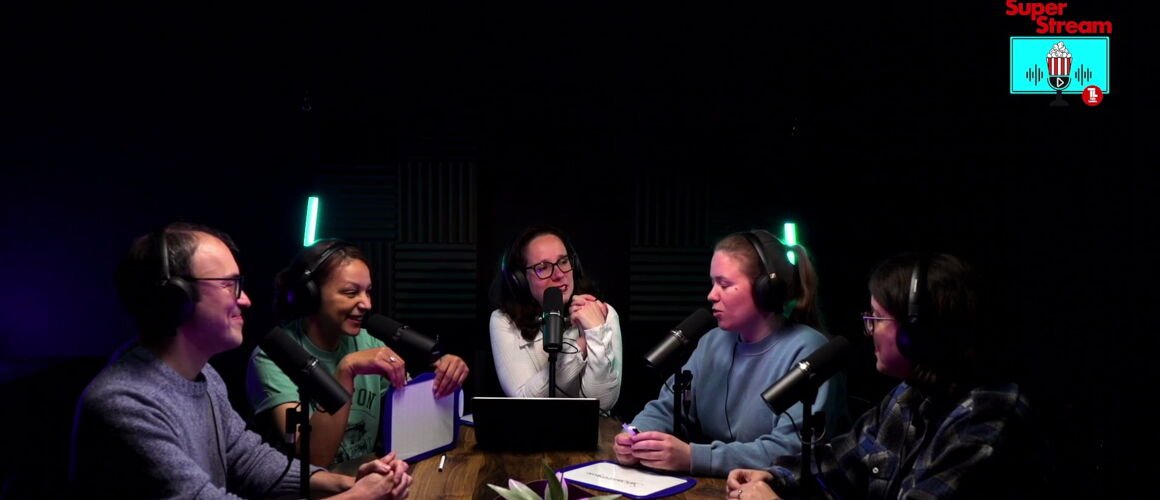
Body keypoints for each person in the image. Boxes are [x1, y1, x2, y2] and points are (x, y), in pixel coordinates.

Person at [71, 222, 411, 499]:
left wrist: (346, 483)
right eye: (229, 285)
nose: (245, 300)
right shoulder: (126, 405)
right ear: (176, 298)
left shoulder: (204, 376)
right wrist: (358, 498)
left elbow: (250, 461)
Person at [726, 253, 1041, 500]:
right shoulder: (909, 394)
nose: (870, 330)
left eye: (876, 318)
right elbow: (841, 462)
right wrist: (776, 477)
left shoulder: (988, 417)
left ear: (918, 332)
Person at [614, 230, 848, 477]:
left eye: (724, 284)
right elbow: (667, 407)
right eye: (712, 283)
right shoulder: (712, 342)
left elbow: (791, 451)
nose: (711, 295)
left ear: (766, 290)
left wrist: (694, 457)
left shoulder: (809, 351)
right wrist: (637, 437)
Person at [246, 239, 470, 467]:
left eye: (368, 292)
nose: (366, 304)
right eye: (351, 293)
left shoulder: (368, 342)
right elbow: (312, 459)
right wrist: (346, 371)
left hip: (364, 477)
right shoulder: (273, 357)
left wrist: (442, 377)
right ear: (310, 295)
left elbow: (413, 421)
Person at [488, 226, 623, 411]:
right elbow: (524, 401)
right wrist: (580, 346)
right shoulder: (504, 321)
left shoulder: (601, 313)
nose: (559, 275)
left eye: (563, 262)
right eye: (542, 267)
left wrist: (596, 333)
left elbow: (602, 404)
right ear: (520, 279)